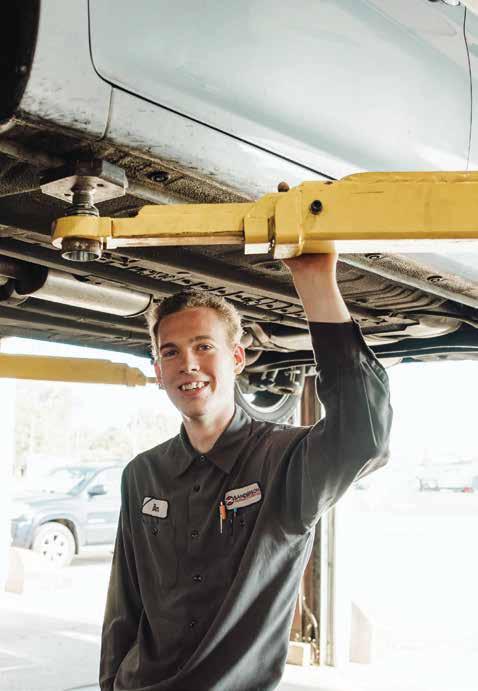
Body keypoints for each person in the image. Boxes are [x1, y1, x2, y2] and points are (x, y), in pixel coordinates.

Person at [99, 253, 392, 691]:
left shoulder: (286, 461)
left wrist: (316, 282)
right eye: (171, 352)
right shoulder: (142, 473)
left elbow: (364, 435)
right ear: (158, 372)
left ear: (236, 357)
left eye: (203, 346)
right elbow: (123, 606)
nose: (188, 364)